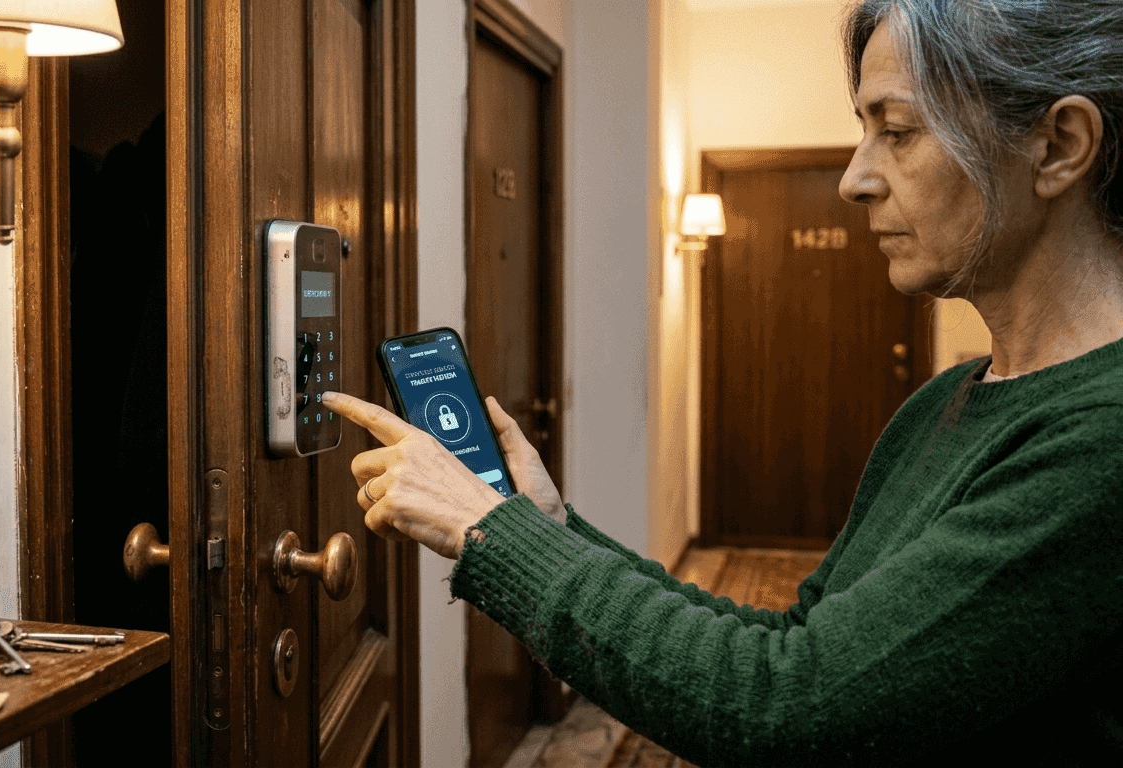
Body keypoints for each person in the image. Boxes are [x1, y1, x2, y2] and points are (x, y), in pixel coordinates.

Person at [324, 0, 1123, 764]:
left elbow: (790, 706)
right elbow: (799, 644)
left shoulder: (1099, 440)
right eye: (863, 133)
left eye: (899, 131)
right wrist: (548, 527)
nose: (855, 179)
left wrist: (484, 532)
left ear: (1057, 146)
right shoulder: (945, 403)